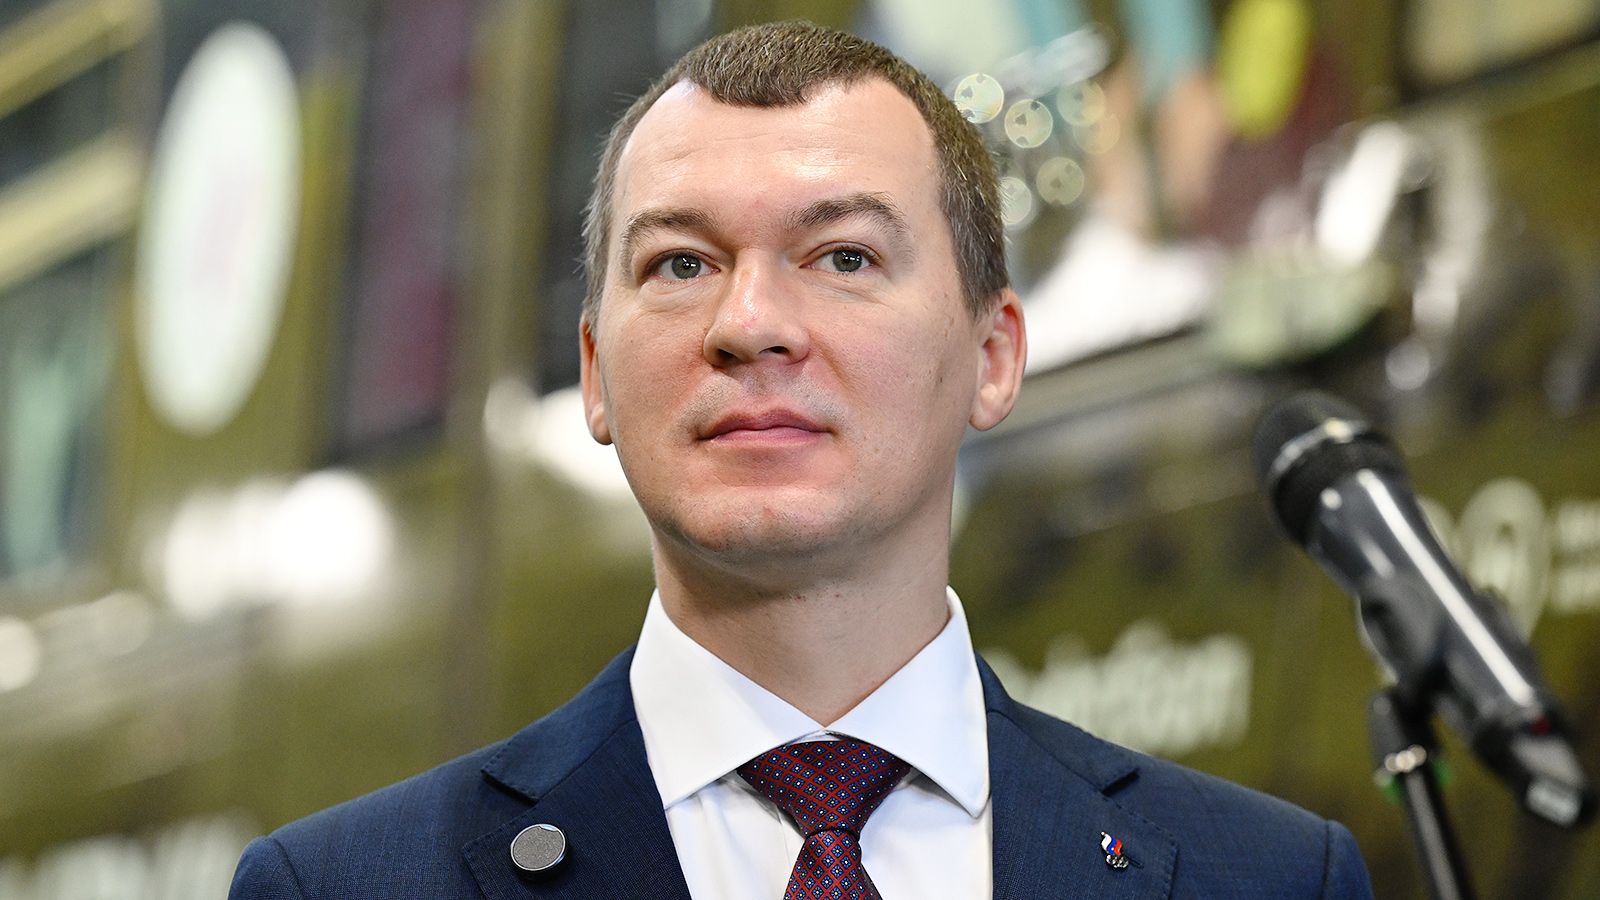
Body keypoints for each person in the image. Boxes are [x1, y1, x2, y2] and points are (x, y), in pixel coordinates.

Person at [230, 21, 1373, 899]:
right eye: (681, 265)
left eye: (842, 256)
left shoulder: (1269, 881)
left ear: (991, 358)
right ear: (594, 374)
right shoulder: (340, 888)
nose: (751, 324)